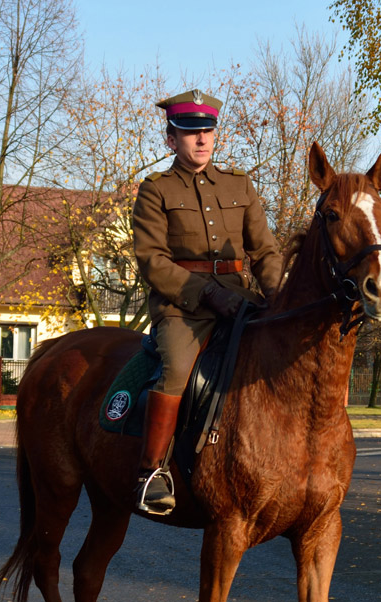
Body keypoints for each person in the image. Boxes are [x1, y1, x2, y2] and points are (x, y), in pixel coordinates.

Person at [132, 88, 283, 514]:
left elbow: (265, 251)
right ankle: (152, 472)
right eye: (189, 132)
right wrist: (207, 293)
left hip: (242, 300)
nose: (201, 139)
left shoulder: (239, 184)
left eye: (208, 131)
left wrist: (277, 297)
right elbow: (152, 261)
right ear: (171, 139)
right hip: (183, 308)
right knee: (177, 369)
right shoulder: (156, 190)